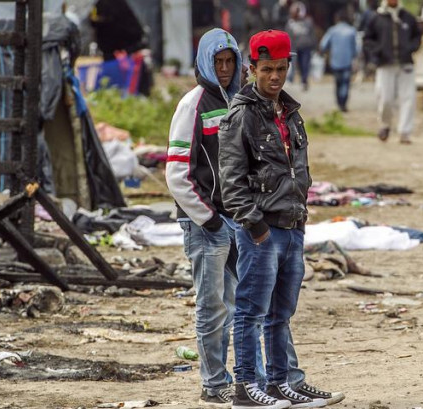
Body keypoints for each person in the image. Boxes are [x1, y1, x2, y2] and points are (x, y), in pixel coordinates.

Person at [219, 29, 344, 408]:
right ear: (252, 69)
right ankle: (246, 387)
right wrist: (255, 227)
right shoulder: (241, 116)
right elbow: (231, 180)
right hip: (262, 231)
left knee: (280, 314)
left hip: (292, 226)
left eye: (281, 68)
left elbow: (297, 170)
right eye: (267, 69)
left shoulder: (290, 112)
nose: (275, 76)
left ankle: (280, 383)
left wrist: (300, 219)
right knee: (251, 312)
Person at [165, 28, 247, 406]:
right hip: (205, 226)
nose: (226, 68)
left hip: (234, 222)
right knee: (211, 307)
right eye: (219, 62)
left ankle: (229, 380)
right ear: (205, 62)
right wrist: (209, 218)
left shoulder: (238, 101)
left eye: (230, 61)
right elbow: (177, 173)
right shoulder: (192, 104)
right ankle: (213, 384)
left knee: (233, 306)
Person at [363, 0, 422, 144]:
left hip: (406, 63)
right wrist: (378, 51)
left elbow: (417, 37)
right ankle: (385, 125)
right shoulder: (376, 18)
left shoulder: (407, 17)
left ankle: (404, 132)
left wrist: (410, 48)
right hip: (385, 64)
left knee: (408, 98)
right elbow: (367, 39)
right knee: (385, 98)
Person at [319, 10, 360, 112]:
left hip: (335, 61)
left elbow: (323, 44)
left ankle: (339, 102)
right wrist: (354, 57)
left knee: (338, 83)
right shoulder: (351, 30)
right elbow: (357, 48)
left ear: (337, 19)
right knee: (345, 83)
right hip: (347, 61)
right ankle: (343, 103)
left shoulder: (332, 30)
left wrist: (323, 52)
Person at [285, 2, 316, 92]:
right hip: (294, 47)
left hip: (306, 46)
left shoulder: (308, 21)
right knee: (292, 64)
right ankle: (290, 79)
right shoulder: (290, 22)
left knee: (305, 65)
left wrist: (314, 46)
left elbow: (312, 34)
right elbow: (288, 35)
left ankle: (304, 81)